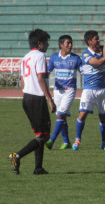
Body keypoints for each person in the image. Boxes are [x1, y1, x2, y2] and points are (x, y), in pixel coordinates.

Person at [9, 29, 56, 175]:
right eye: (46, 42)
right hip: (37, 98)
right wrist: (50, 99)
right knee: (45, 136)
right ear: (40, 43)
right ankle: (17, 156)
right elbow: (41, 78)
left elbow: (22, 81)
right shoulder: (40, 56)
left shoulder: (25, 57)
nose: (48, 45)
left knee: (39, 135)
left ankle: (38, 167)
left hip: (27, 98)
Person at [72, 31, 105, 151]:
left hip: (103, 89)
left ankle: (104, 142)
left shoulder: (102, 50)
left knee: (104, 117)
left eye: (98, 38)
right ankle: (77, 139)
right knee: (82, 114)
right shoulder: (86, 54)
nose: (98, 41)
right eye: (96, 39)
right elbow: (98, 62)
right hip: (89, 90)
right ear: (89, 41)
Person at [45, 35, 82, 150]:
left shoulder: (76, 58)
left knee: (60, 114)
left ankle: (51, 140)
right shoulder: (54, 57)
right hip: (57, 91)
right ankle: (66, 142)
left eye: (71, 43)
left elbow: (84, 73)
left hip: (69, 91)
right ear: (61, 45)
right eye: (68, 43)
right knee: (61, 118)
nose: (70, 45)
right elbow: (47, 73)